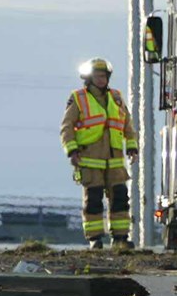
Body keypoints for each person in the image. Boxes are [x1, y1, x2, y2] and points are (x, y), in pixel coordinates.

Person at [60, 58, 139, 248]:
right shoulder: (78, 98)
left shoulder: (117, 98)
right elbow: (67, 127)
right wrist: (72, 151)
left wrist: (132, 148)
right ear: (89, 78)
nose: (101, 80)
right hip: (90, 158)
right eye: (97, 76)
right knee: (93, 200)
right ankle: (95, 239)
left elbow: (127, 126)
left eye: (104, 76)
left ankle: (120, 238)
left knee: (120, 198)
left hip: (115, 160)